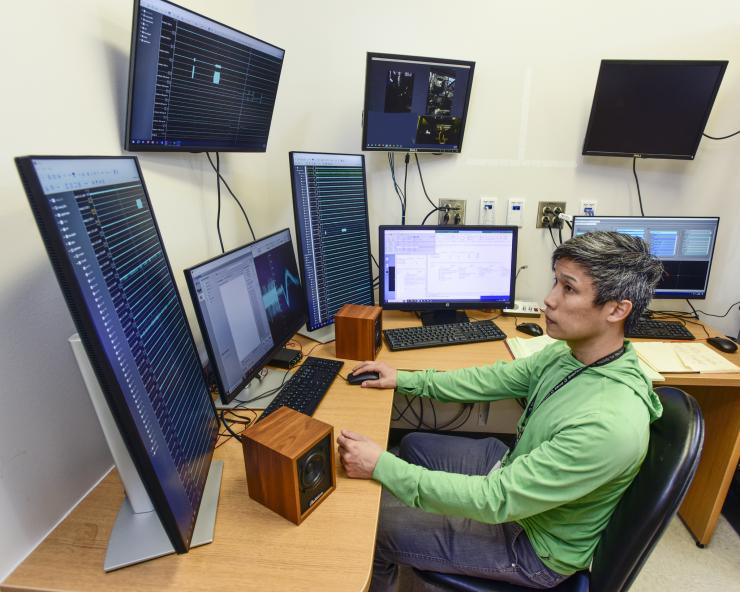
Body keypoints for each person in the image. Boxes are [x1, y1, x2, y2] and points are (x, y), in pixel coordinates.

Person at [337, 231, 665, 590]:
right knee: (413, 444)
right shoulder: (573, 352)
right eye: (556, 282)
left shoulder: (608, 425)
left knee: (374, 530)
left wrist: (379, 465)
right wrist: (406, 379)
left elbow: (495, 499)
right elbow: (494, 378)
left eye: (568, 289)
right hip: (520, 478)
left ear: (617, 309)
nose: (548, 300)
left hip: (531, 546)